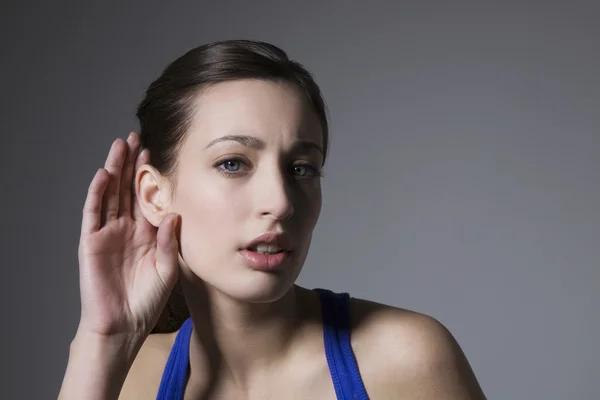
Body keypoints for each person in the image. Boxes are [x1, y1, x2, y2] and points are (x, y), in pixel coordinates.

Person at [58, 39, 487, 399]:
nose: (281, 202)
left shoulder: (404, 360)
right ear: (154, 195)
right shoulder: (131, 378)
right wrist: (104, 339)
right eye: (233, 164)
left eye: (301, 168)